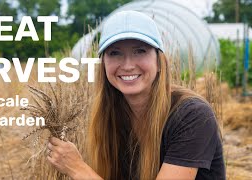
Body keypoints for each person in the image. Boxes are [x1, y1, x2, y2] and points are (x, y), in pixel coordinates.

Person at [46, 10, 225, 180]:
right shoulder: (113, 115)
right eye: (115, 53)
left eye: (140, 51)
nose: (128, 65)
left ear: (159, 61)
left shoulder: (191, 115)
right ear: (103, 65)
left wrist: (78, 169)